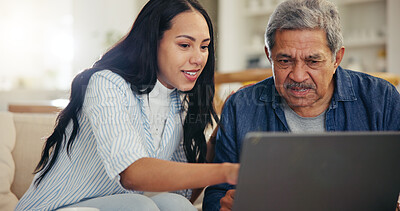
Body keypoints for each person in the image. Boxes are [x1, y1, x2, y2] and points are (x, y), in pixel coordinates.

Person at [15, 0, 239, 210]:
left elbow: (181, 192)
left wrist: (222, 131)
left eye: (204, 46)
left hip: (115, 204)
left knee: (175, 204)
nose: (199, 58)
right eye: (184, 45)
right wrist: (228, 172)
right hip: (56, 206)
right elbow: (132, 174)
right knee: (139, 206)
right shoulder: (106, 83)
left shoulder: (178, 102)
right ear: (153, 42)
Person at [202, 0, 400, 210]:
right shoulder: (240, 106)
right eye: (284, 61)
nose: (297, 76)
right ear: (269, 56)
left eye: (313, 61)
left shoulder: (381, 99)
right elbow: (217, 194)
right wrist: (224, 205)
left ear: (337, 58)